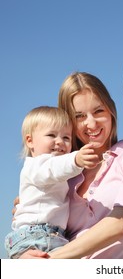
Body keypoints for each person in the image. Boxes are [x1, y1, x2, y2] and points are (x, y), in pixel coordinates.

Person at [17, 72, 123, 259]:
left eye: (99, 111)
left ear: (111, 111)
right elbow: (33, 220)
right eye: (80, 116)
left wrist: (49, 263)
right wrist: (23, 256)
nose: (91, 123)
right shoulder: (65, 175)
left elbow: (121, 224)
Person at [5, 106, 98, 258]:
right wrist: (76, 159)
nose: (60, 142)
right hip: (39, 235)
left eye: (66, 137)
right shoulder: (37, 165)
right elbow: (54, 168)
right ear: (30, 141)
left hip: (45, 235)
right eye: (51, 135)